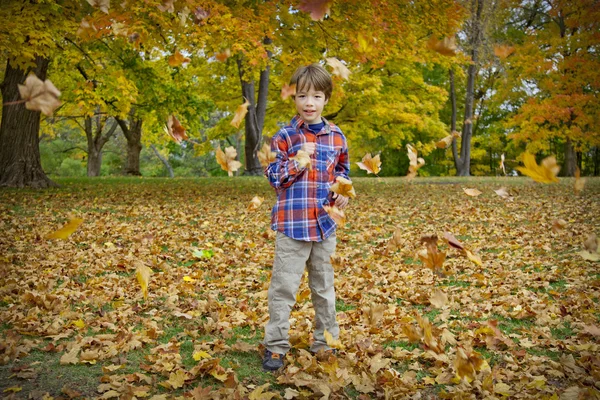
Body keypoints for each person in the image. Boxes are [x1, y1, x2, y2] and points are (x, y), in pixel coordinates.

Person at [262, 63, 351, 371]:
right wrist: (297, 164)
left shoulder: (337, 137)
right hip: (292, 225)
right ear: (295, 99)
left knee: (324, 289)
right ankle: (275, 345)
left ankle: (325, 342)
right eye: (302, 96)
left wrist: (343, 192)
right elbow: (274, 177)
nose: (309, 103)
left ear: (326, 98)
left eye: (316, 96)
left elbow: (343, 174)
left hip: (325, 225)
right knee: (283, 288)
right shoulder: (284, 137)